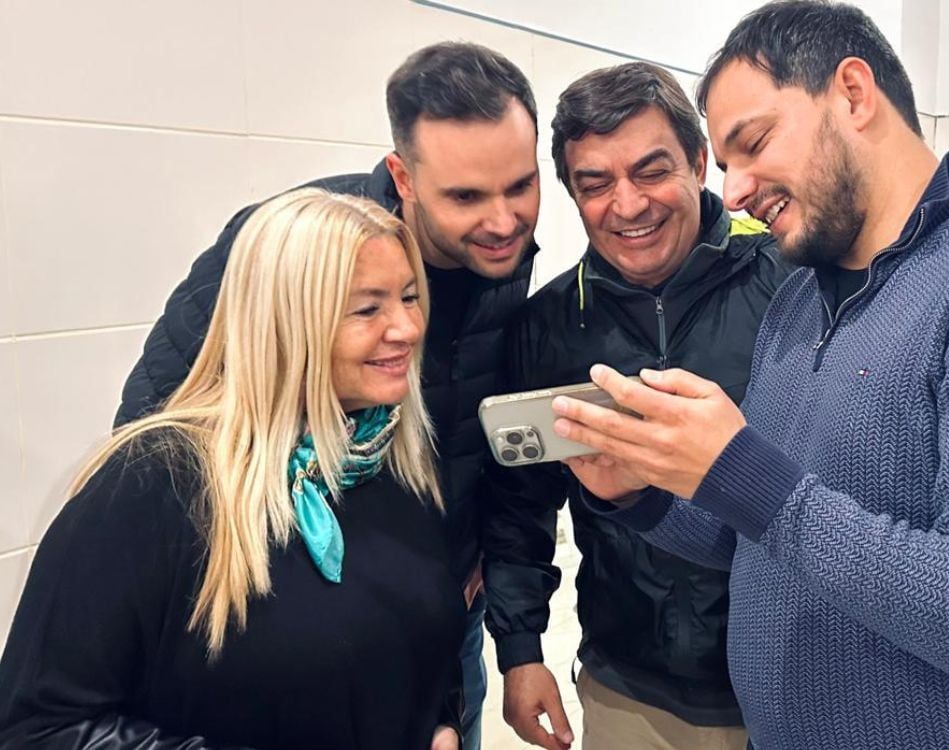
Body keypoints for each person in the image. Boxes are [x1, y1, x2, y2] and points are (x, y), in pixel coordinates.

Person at [549, 2, 949, 748]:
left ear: (854, 94)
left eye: (754, 143)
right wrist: (640, 493)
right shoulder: (801, 295)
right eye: (725, 164)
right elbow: (762, 536)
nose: (731, 192)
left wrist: (745, 474)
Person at [113, 42, 541, 750]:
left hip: (436, 620)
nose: (502, 221)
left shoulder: (506, 263)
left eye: (520, 187)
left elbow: (492, 457)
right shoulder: (283, 251)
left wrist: (491, 605)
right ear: (403, 176)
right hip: (280, 628)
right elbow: (155, 435)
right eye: (466, 196)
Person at [0, 189, 464, 749]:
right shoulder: (154, 483)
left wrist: (439, 723)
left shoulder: (388, 459)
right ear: (286, 323)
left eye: (410, 297)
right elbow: (39, 729)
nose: (407, 329)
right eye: (368, 308)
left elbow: (408, 650)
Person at [484, 62, 789, 750]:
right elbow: (517, 509)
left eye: (652, 171)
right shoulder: (548, 326)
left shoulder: (792, 287)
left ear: (700, 161)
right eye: (595, 184)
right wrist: (520, 651)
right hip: (629, 689)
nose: (627, 206)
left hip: (788, 683)